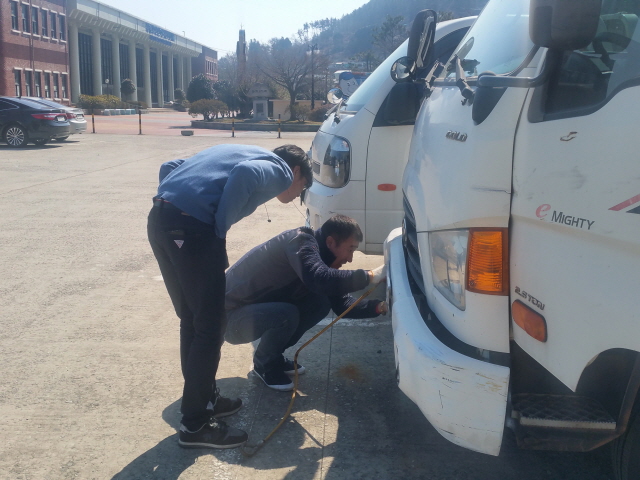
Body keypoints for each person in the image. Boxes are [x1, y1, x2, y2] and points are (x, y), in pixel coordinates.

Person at [147, 143, 312, 449]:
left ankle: (205, 398)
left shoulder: (243, 150)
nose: (297, 195)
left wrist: (173, 204)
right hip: (193, 230)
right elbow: (246, 174)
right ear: (296, 171)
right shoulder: (279, 169)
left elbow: (171, 166)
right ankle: (195, 425)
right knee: (210, 327)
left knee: (192, 319)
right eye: (302, 187)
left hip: (159, 219)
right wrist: (217, 231)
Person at [224, 214, 387, 391]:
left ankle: (273, 356)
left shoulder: (320, 256)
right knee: (286, 315)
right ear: (330, 242)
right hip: (227, 319)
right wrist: (369, 276)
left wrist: (379, 307)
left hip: (250, 314)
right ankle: (264, 364)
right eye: (350, 249)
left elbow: (342, 304)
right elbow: (318, 278)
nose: (350, 259)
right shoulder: (299, 242)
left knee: (320, 304)